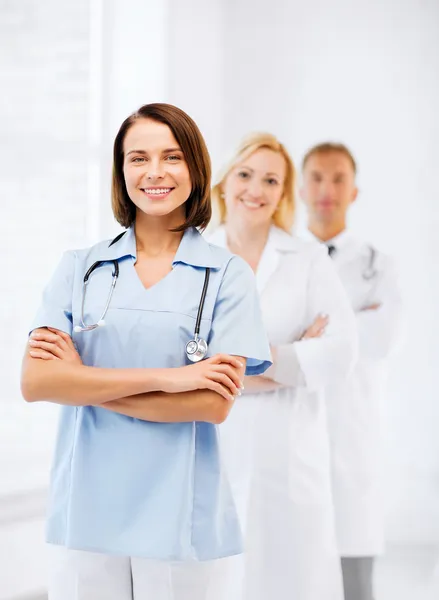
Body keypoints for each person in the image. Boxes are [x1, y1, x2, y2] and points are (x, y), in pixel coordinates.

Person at [20, 103, 272, 600]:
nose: (154, 172)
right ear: (121, 171)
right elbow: (37, 383)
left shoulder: (228, 276)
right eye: (138, 158)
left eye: (171, 156)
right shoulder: (78, 268)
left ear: (195, 169)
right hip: (87, 506)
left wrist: (84, 384)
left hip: (179, 509)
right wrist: (172, 378)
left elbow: (212, 404)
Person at [208, 133, 357, 600]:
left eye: (271, 180)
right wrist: (292, 353)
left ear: (282, 193)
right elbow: (180, 356)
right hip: (213, 448)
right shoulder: (193, 259)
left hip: (290, 453)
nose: (256, 189)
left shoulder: (307, 259)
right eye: (246, 174)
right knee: (220, 580)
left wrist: (241, 364)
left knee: (294, 580)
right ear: (225, 182)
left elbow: (340, 352)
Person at [300, 142, 403, 600]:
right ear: (301, 188)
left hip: (352, 432)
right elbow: (269, 342)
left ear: (354, 191)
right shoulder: (281, 260)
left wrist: (311, 337)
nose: (327, 189)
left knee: (354, 577)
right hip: (292, 428)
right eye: (317, 178)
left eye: (339, 178)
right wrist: (347, 330)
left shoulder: (379, 264)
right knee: (291, 571)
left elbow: (380, 339)